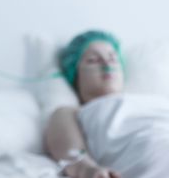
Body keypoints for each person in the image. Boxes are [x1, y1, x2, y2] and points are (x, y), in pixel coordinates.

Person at [45, 30, 169, 178]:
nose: (106, 64)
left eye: (113, 58)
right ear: (75, 73)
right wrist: (88, 170)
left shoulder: (157, 100)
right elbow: (71, 155)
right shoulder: (71, 112)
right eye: (93, 60)